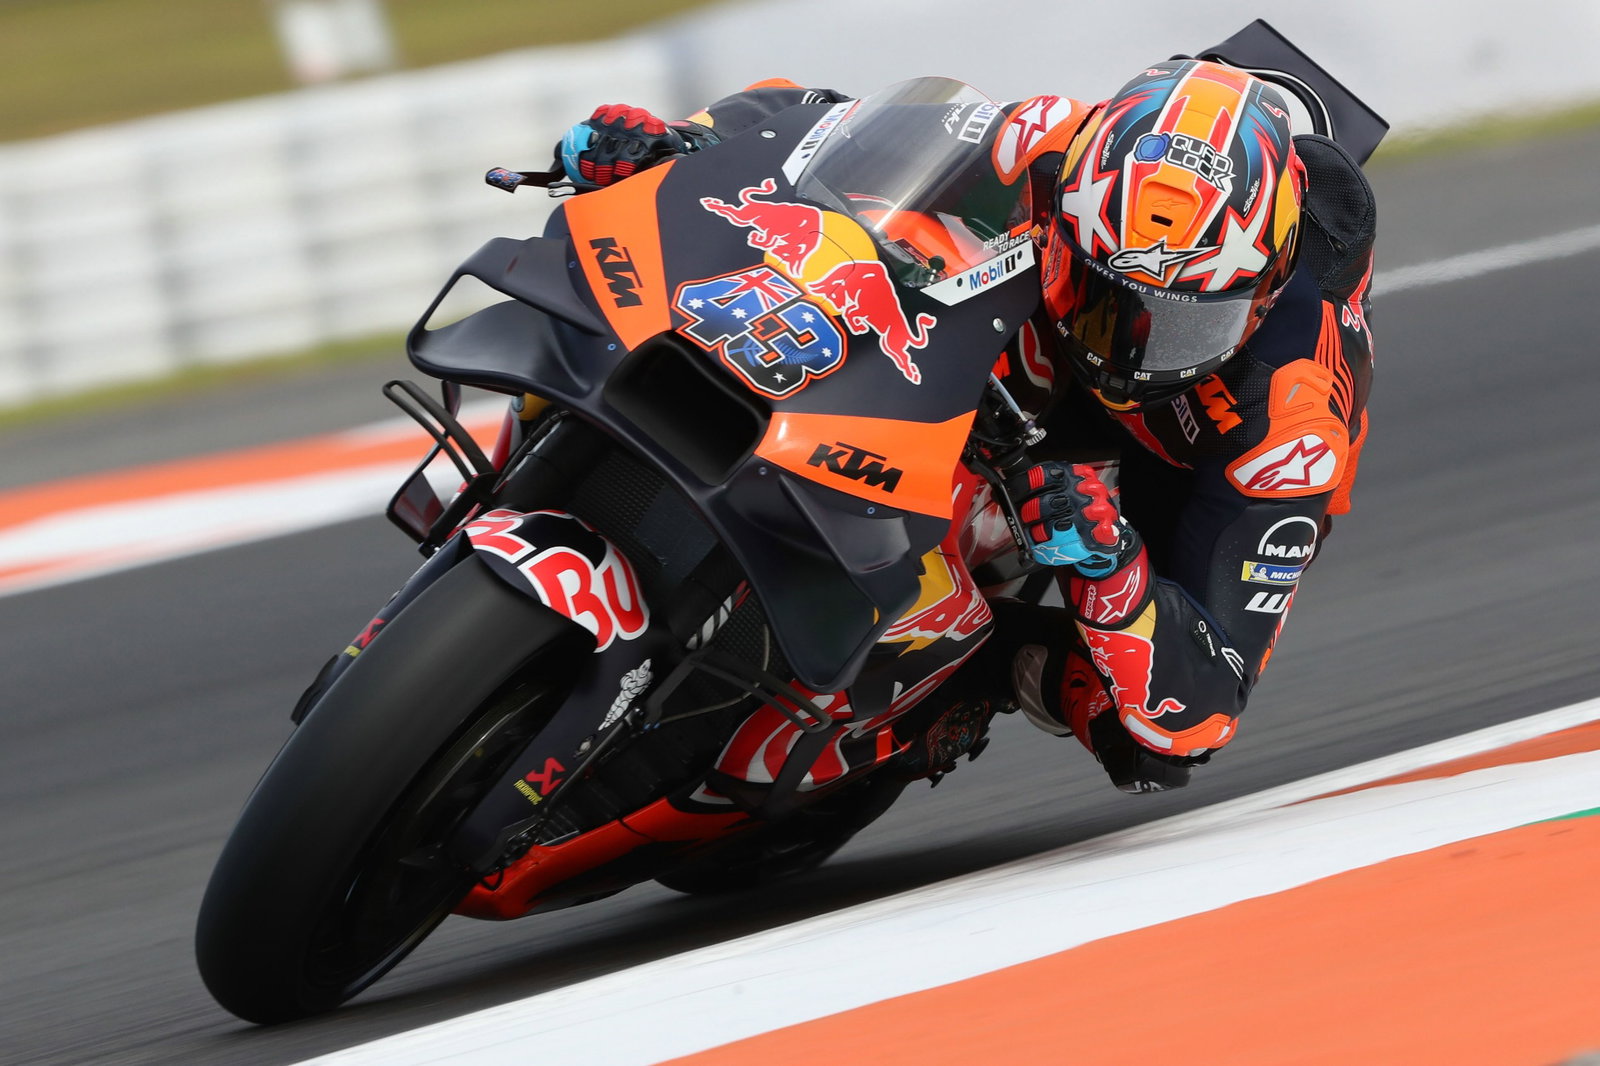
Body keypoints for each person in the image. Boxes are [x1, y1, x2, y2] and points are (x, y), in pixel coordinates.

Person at [554, 60, 1375, 794]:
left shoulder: (1293, 414)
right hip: (985, 364)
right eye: (1103, 295)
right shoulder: (1050, 143)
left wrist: (1110, 561)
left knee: (1144, 746)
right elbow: (809, 123)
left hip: (1153, 471)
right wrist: (682, 143)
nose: (1123, 346)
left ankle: (991, 674)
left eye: (1176, 324)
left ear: (1259, 293)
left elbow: (1198, 707)